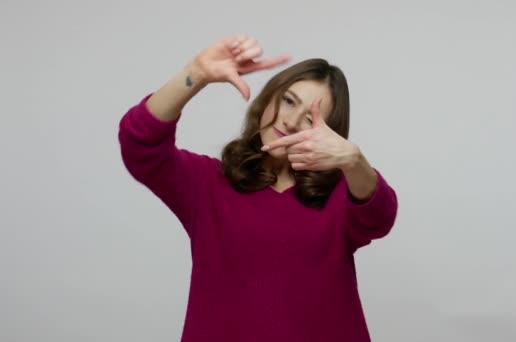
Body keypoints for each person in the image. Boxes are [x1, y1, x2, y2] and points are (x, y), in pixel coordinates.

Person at [118, 34, 398, 342]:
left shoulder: (339, 195)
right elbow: (139, 144)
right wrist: (196, 73)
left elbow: (380, 216)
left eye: (310, 119)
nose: (290, 122)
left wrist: (354, 159)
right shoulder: (208, 183)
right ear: (269, 99)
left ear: (328, 134)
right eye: (288, 101)